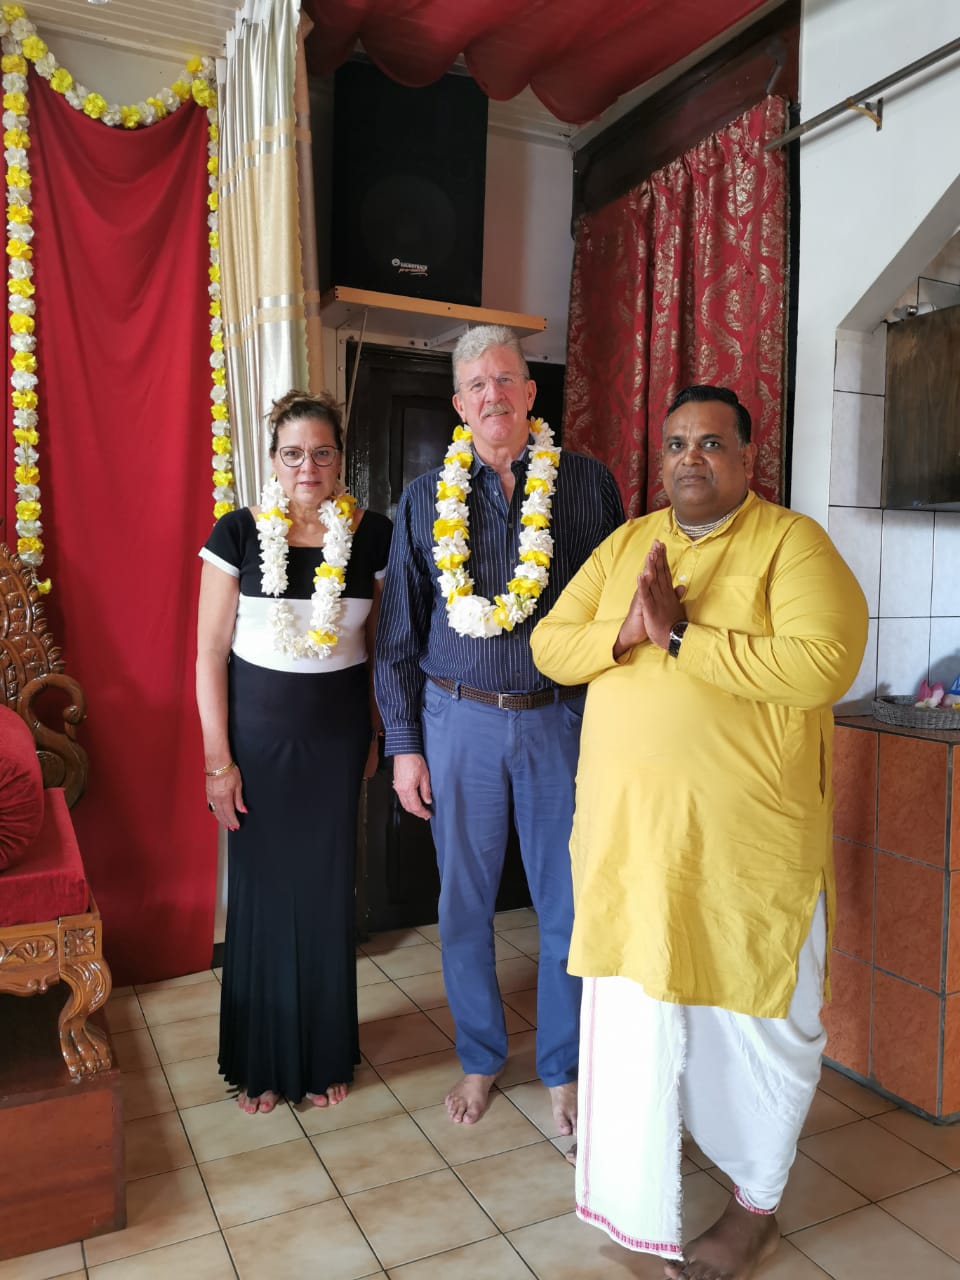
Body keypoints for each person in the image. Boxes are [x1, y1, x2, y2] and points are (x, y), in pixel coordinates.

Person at [531, 385, 868, 1279]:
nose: (690, 457)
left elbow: (824, 663)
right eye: (677, 442)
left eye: (711, 443)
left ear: (747, 458)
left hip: (741, 854)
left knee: (760, 1026)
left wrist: (684, 639)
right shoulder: (626, 544)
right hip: (634, 849)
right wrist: (628, 633)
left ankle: (756, 1206)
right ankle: (649, 1177)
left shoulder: (792, 545)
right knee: (646, 1016)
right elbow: (550, 646)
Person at [375, 324, 624, 1132]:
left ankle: (564, 1066)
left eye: (505, 379)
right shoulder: (423, 499)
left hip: (560, 723)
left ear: (530, 392)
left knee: (567, 905)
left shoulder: (589, 486)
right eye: (476, 384)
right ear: (459, 403)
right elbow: (398, 638)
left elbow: (613, 614)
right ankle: (481, 1059)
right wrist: (405, 744)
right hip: (458, 724)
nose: (493, 395)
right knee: (463, 904)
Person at [196, 389, 391, 1114]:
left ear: (341, 458)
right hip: (258, 744)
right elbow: (209, 652)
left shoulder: (374, 536)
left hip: (337, 742)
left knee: (325, 894)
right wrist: (219, 761)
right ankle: (263, 1060)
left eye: (322, 452)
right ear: (272, 461)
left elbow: (376, 650)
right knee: (265, 897)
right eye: (292, 453)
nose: (307, 466)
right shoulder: (238, 533)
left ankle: (324, 1053)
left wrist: (375, 732)